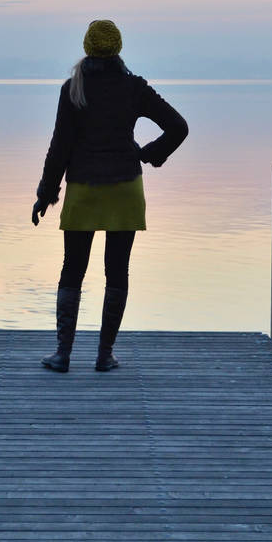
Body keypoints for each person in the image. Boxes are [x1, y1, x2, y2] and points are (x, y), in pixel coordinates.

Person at [32, 19, 189, 373]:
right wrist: (149, 153)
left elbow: (60, 147)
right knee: (117, 271)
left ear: (88, 48)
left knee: (72, 270)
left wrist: (46, 193)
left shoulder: (74, 88)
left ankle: (63, 355)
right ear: (117, 49)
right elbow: (179, 127)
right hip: (124, 189)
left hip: (84, 188)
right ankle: (104, 355)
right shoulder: (133, 88)